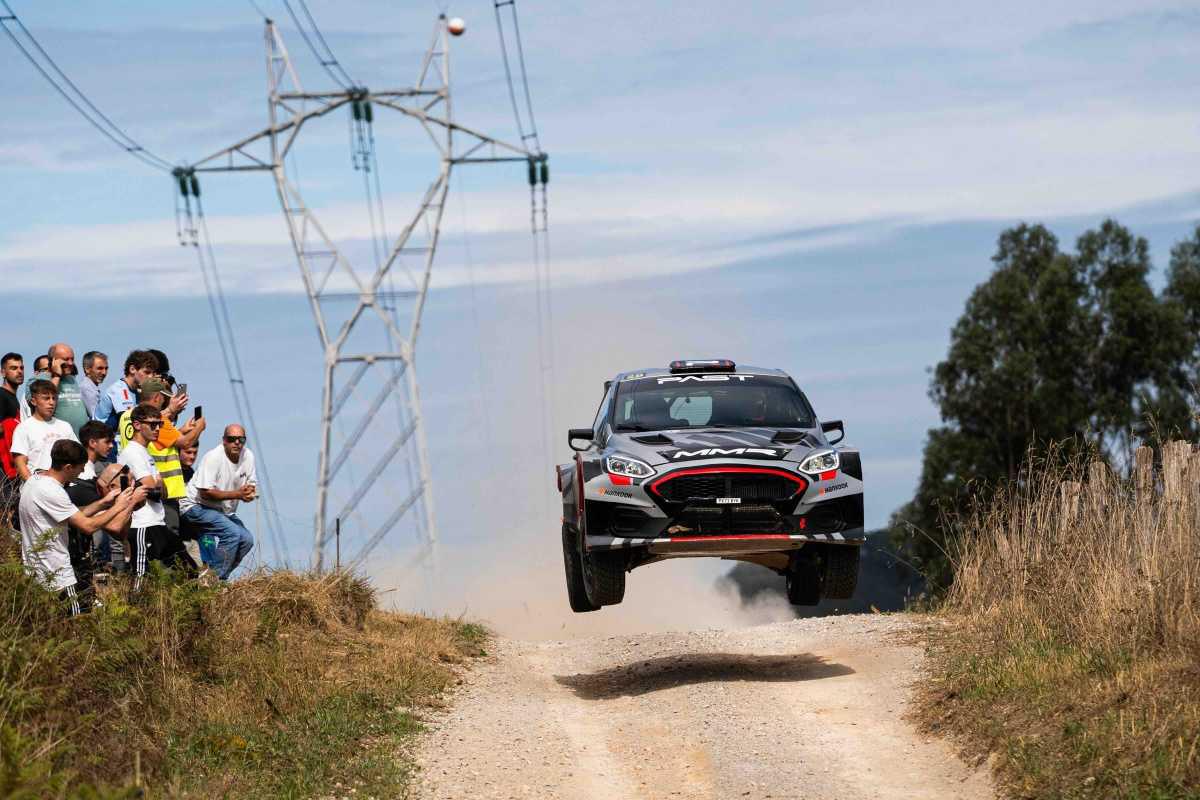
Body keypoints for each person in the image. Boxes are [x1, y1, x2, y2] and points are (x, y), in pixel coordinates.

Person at [19, 439, 140, 615]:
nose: (83, 471)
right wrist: (120, 506)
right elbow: (88, 526)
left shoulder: (34, 481)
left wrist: (103, 503)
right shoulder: (53, 491)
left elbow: (74, 515)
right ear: (68, 467)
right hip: (57, 575)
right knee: (76, 628)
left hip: (36, 573)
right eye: (80, 467)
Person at [118, 403, 194, 588]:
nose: (157, 429)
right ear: (137, 425)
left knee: (190, 570)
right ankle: (136, 614)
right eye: (152, 425)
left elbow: (162, 489)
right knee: (141, 580)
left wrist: (157, 484)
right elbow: (151, 487)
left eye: (159, 424)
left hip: (158, 523)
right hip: (142, 525)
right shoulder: (132, 452)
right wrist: (157, 483)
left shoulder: (146, 452)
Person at [181, 425, 256, 580]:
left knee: (247, 540)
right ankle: (212, 580)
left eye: (241, 439)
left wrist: (249, 493)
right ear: (224, 441)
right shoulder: (213, 457)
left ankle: (219, 577)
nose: (237, 443)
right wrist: (237, 494)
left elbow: (251, 484)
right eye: (231, 439)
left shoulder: (248, 456)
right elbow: (205, 492)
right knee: (232, 533)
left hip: (221, 510)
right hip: (196, 506)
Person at [65, 461, 144, 598]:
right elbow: (115, 527)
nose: (132, 487)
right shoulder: (86, 494)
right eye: (127, 483)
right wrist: (131, 502)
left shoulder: (104, 495)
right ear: (112, 486)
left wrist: (130, 506)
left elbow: (121, 535)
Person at [10, 380, 79, 481]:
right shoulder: (24, 428)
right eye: (46, 398)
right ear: (33, 401)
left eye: (54, 398)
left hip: (65, 486)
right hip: (37, 486)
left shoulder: (65, 426)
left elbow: (77, 455)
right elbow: (20, 463)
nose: (51, 402)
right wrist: (33, 485)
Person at [77, 420, 118, 567]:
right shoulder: (84, 473)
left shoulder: (90, 469)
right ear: (93, 442)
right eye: (107, 442)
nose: (111, 446)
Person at [93, 349, 158, 434]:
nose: (150, 377)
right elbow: (128, 423)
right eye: (147, 372)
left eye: (152, 374)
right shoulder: (119, 389)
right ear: (132, 369)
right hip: (105, 439)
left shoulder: (138, 391)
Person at [34, 343, 89, 435]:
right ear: (53, 360)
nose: (71, 363)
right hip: (57, 441)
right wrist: (56, 376)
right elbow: (47, 397)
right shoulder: (39, 379)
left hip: (78, 441)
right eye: (66, 359)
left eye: (72, 359)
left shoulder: (71, 379)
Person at [79, 351, 108, 419]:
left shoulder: (91, 387)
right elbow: (97, 418)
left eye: (106, 368)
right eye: (100, 368)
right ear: (87, 369)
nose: (104, 372)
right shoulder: (87, 388)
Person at [0, 353, 22, 422]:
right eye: (14, 368)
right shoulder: (1, 395)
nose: (19, 371)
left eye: (21, 368)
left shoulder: (13, 398)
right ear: (3, 373)